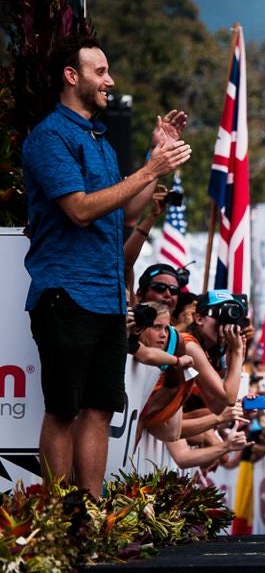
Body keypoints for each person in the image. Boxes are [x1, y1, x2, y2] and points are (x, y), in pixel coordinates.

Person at [21, 35, 191, 496]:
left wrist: (158, 158)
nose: (109, 80)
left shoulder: (99, 139)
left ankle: (91, 515)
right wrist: (147, 171)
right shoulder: (49, 137)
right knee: (63, 409)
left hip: (110, 296)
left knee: (99, 408)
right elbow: (78, 209)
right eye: (100, 71)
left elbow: (128, 213)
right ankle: (58, 519)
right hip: (66, 292)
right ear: (71, 76)